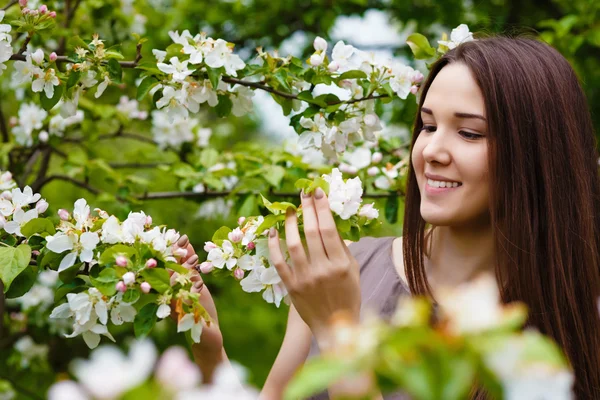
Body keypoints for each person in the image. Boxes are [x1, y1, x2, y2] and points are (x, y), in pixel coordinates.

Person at [175, 35, 600, 399]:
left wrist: (336, 329)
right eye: (428, 126)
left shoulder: (566, 325)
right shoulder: (346, 271)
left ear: (538, 155)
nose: (431, 151)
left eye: (469, 132)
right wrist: (209, 350)